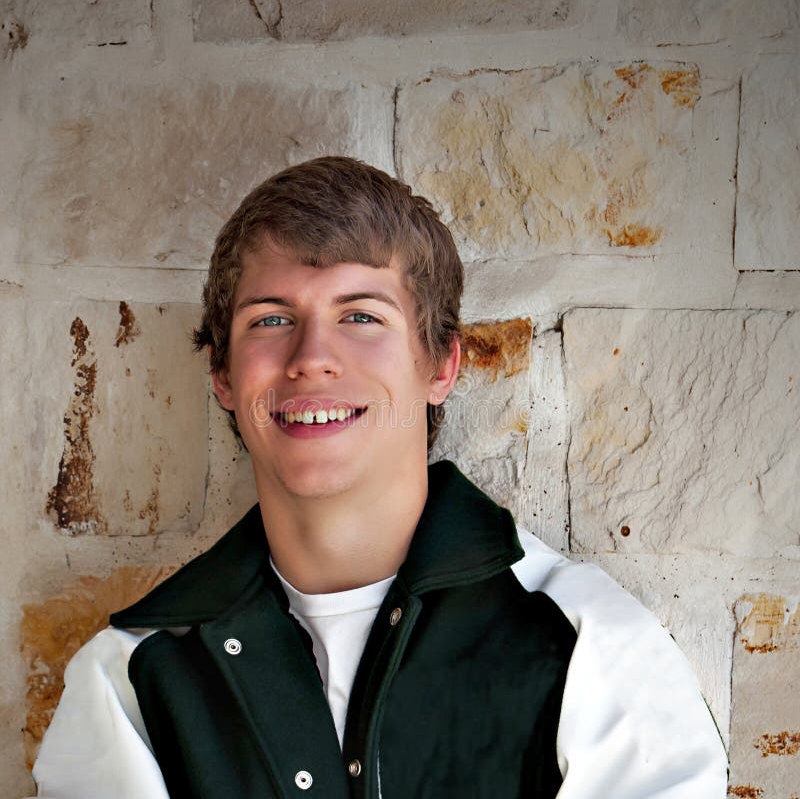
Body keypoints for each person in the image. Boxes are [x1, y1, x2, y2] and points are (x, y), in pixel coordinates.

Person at [31, 157, 727, 798]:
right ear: (222, 374)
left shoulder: (591, 647)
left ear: (441, 367)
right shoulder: (129, 682)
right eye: (272, 319)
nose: (312, 357)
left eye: (361, 316)